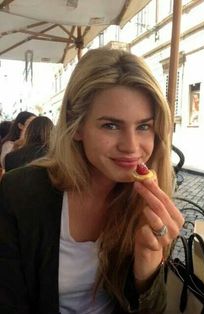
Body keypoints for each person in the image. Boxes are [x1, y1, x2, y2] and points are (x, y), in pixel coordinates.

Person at [0, 48, 184, 314]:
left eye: (144, 126)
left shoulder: (151, 202)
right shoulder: (19, 193)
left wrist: (148, 266)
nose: (132, 147)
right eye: (110, 125)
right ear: (77, 127)